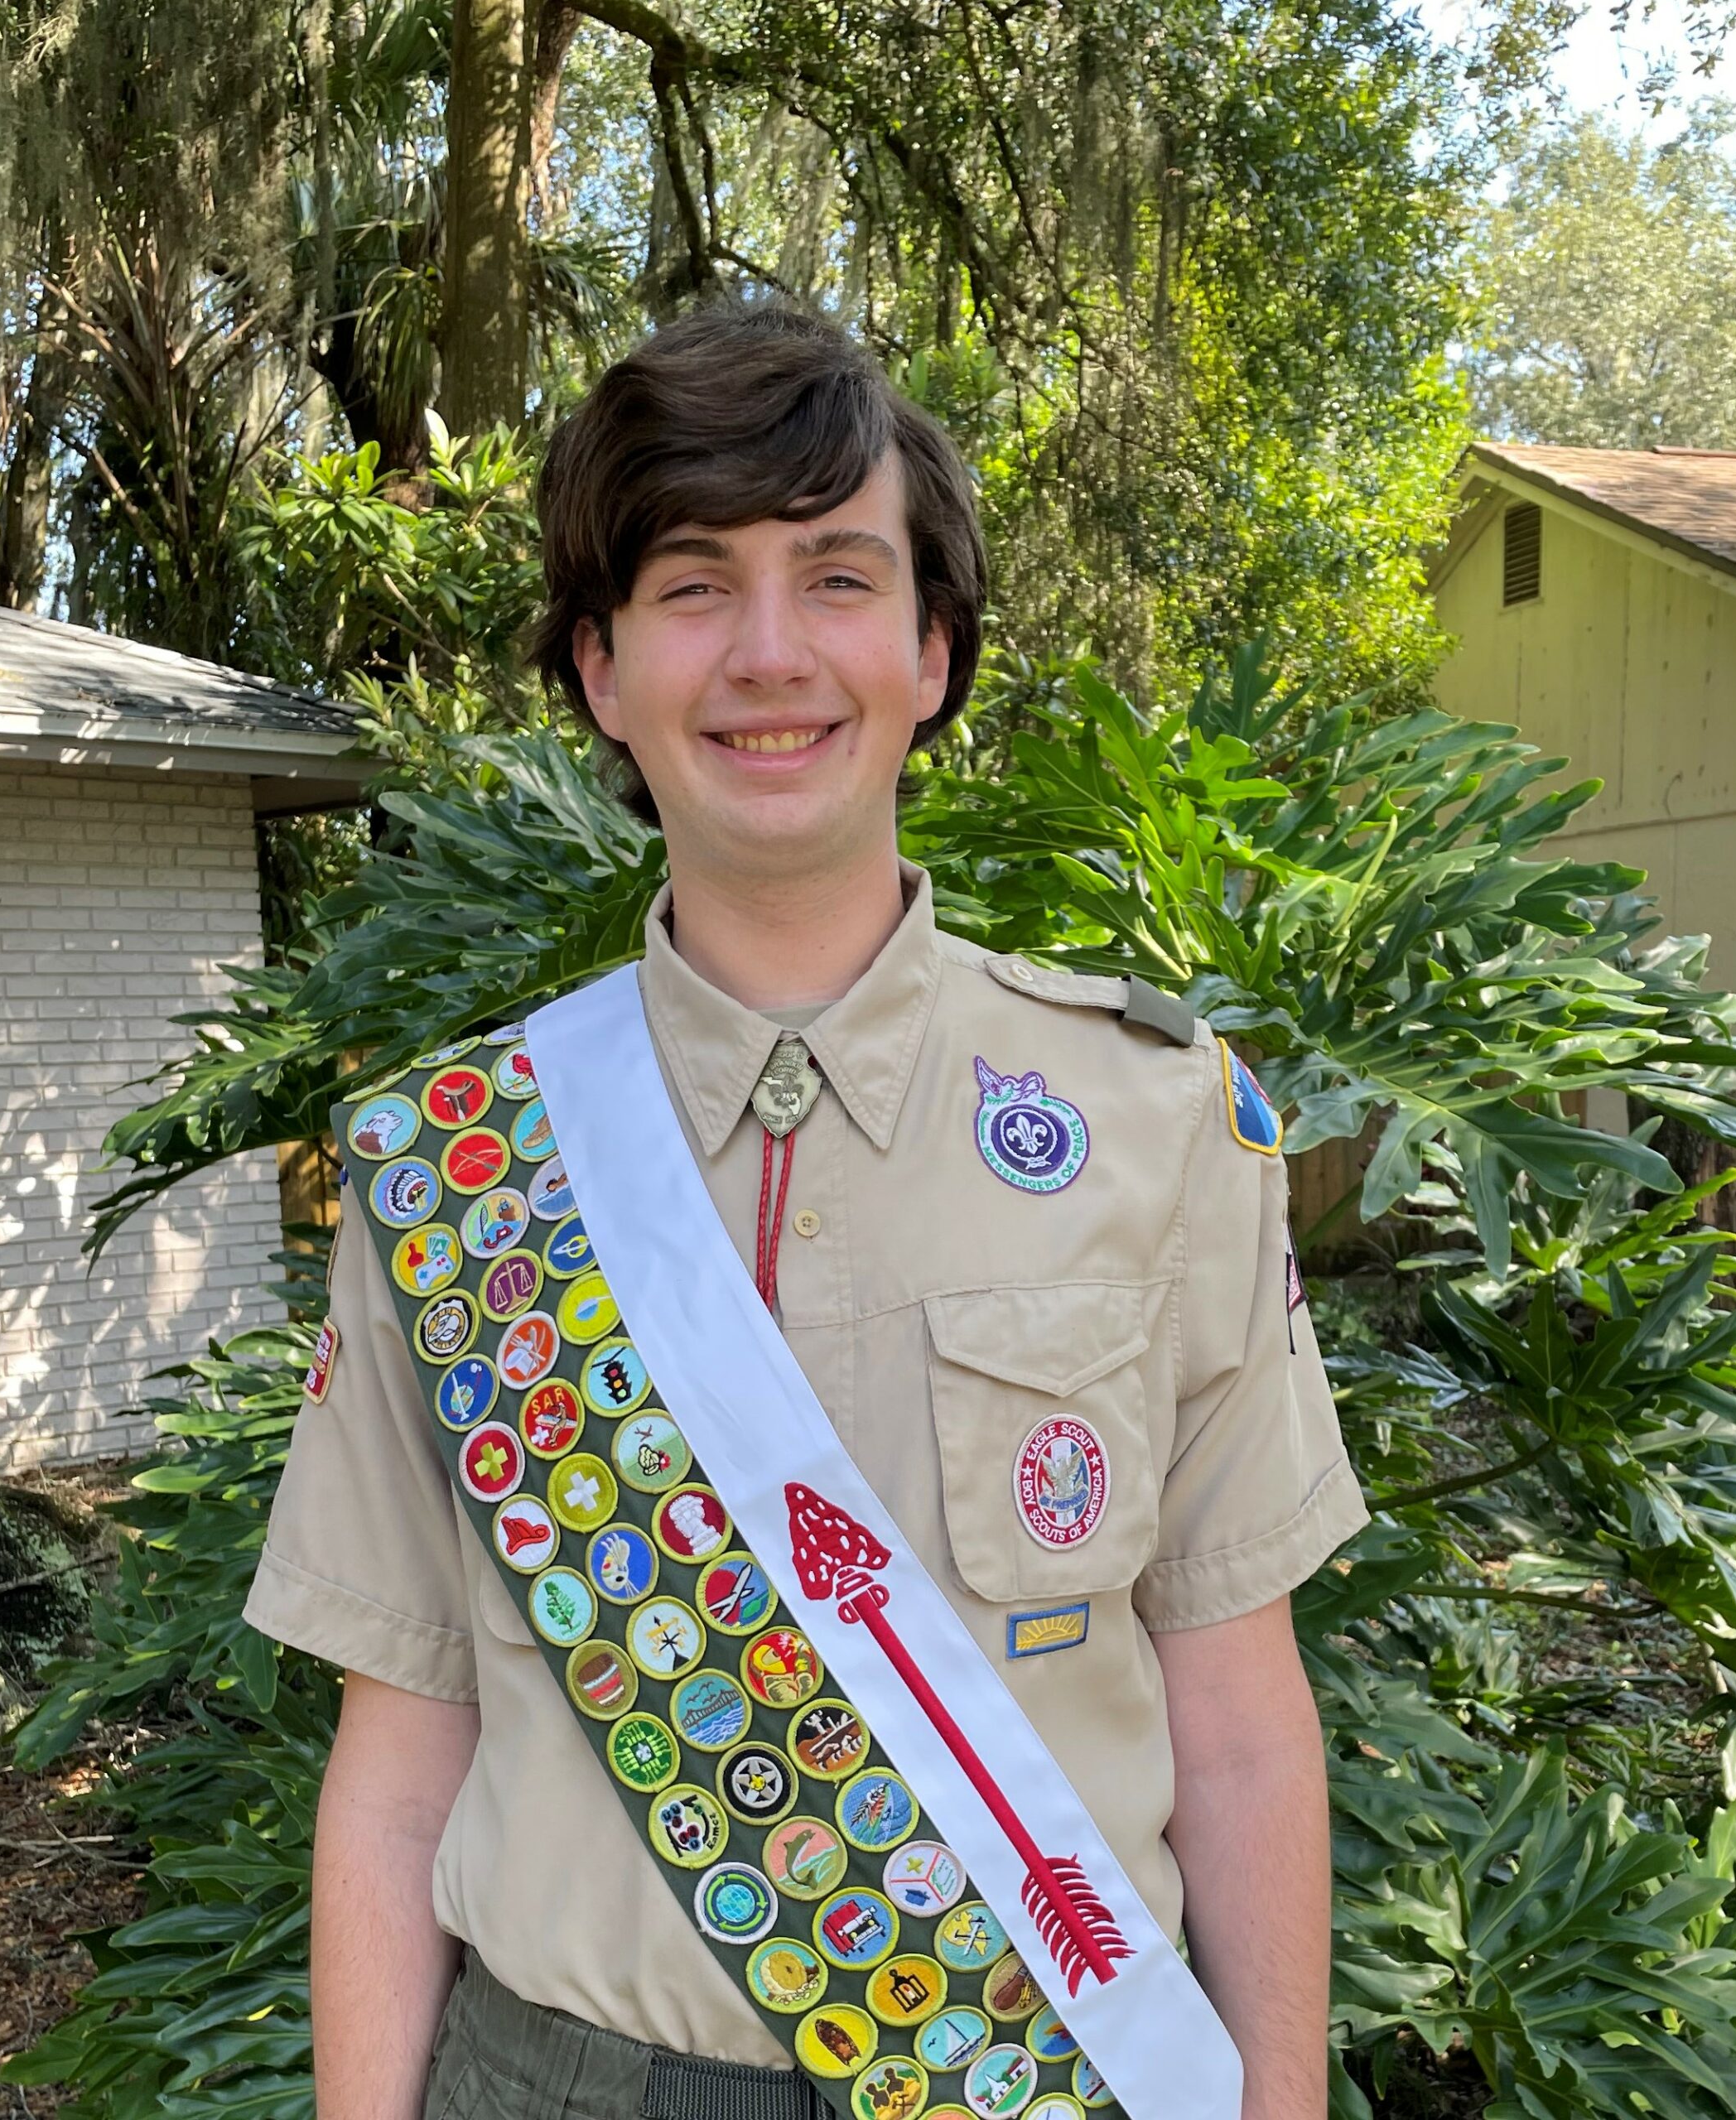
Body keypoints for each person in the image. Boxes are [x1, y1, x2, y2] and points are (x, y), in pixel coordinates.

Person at [243, 302, 1370, 2120]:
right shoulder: (459, 1170)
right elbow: (396, 1760)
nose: (769, 653)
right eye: (692, 585)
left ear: (931, 650)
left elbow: (1237, 1723)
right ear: (602, 669)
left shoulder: (1155, 1125)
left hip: (1043, 2072)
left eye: (836, 577)